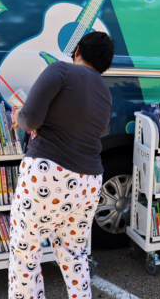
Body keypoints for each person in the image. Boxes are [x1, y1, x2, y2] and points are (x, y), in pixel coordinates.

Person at [8, 31, 114, 299]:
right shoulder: (105, 92)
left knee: (26, 250)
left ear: (77, 49)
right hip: (89, 181)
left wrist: (19, 118)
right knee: (74, 252)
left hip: (48, 173)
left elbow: (30, 119)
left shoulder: (61, 70)